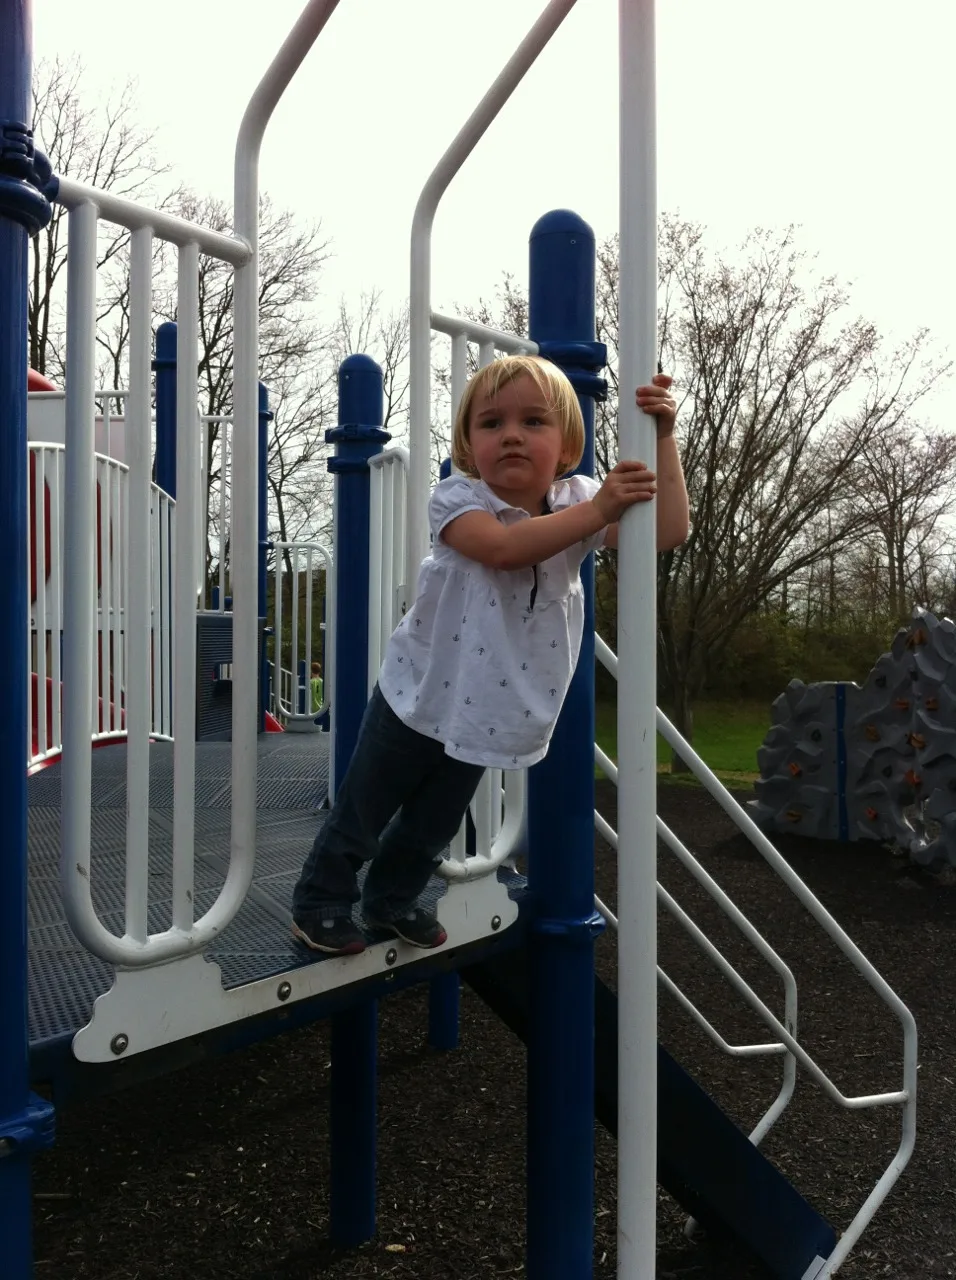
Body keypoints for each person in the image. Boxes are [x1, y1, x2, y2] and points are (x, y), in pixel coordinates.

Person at [291, 354, 689, 955]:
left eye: (534, 421)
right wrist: (599, 512)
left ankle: (391, 900)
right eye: (492, 423)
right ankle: (321, 900)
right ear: (469, 445)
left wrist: (663, 437)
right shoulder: (458, 499)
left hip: (491, 701)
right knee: (366, 804)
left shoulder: (577, 499)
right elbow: (504, 549)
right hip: (419, 689)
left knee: (436, 819)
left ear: (567, 444)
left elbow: (667, 530)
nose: (511, 435)